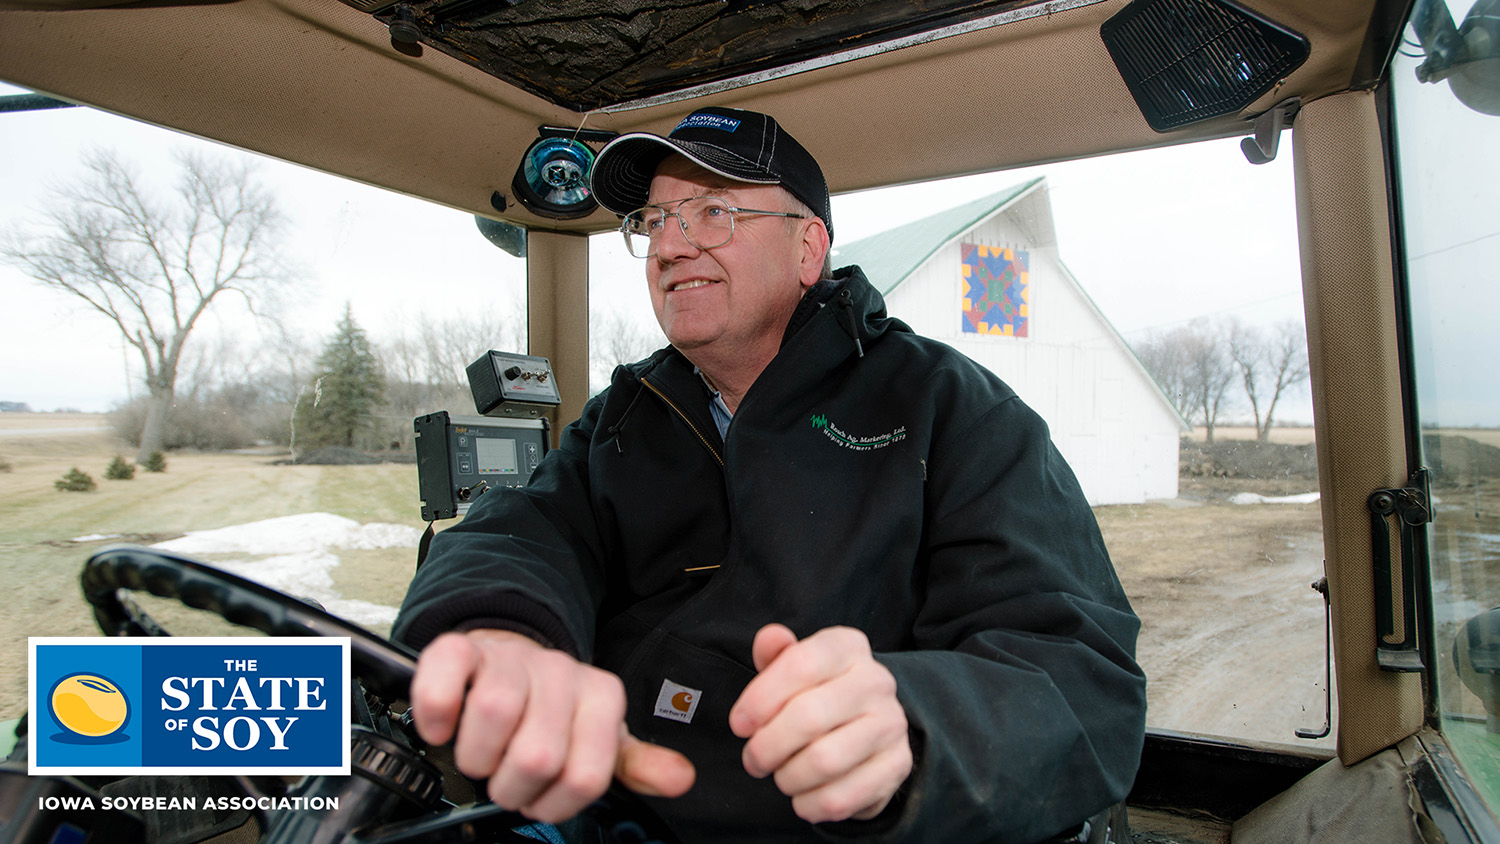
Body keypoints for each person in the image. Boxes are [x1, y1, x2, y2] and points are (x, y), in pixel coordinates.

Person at [393, 107, 1146, 843]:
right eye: (656, 222)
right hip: (601, 807)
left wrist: (914, 731)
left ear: (808, 249)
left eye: (713, 211)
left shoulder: (950, 409)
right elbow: (525, 528)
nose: (671, 247)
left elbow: (1078, 678)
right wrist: (505, 630)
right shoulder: (626, 414)